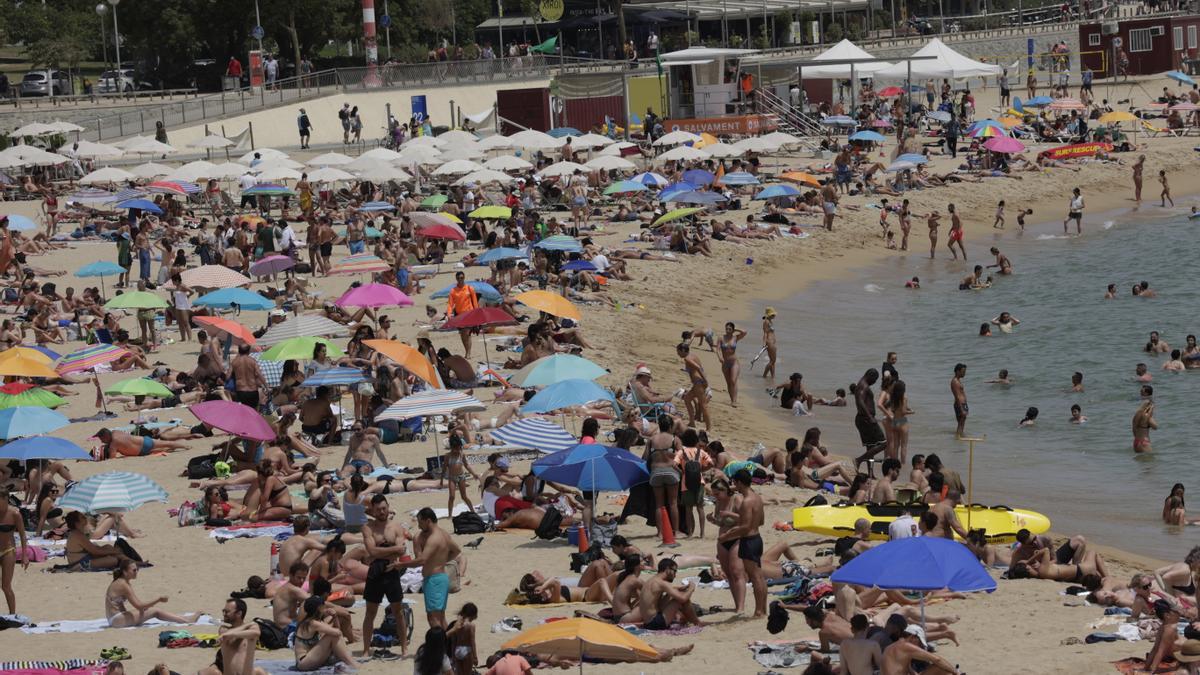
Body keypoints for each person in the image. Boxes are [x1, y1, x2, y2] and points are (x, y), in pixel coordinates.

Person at [360, 494, 410, 658]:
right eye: (378, 509)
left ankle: (404, 648)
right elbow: (371, 551)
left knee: (398, 611)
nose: (382, 512)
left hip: (392, 570)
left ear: (388, 507)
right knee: (370, 612)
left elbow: (401, 550)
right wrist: (390, 550)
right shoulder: (368, 528)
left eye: (384, 508)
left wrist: (379, 552)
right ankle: (366, 649)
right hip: (375, 571)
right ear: (373, 511)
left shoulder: (395, 527)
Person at [398, 507, 462, 630]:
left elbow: (421, 560)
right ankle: (447, 645)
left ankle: (441, 646)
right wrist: (441, 561)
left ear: (428, 521)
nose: (419, 526)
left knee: (433, 618)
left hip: (434, 580)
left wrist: (400, 565)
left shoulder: (434, 538)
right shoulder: (443, 534)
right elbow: (456, 551)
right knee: (440, 617)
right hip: (440, 578)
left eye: (420, 522)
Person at [719, 470, 766, 617]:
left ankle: (759, 610)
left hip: (749, 540)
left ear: (739, 482)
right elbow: (762, 521)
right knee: (759, 576)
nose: (734, 486)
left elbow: (745, 527)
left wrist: (727, 535)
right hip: (757, 538)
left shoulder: (746, 501)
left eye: (735, 483)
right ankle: (762, 609)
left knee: (755, 577)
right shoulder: (757, 498)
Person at [105, 558, 200, 627]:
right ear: (125, 572)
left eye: (137, 569)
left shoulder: (121, 581)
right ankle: (186, 620)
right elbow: (139, 606)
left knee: (148, 610)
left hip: (115, 618)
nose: (137, 572)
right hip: (117, 620)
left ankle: (183, 618)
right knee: (155, 611)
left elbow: (139, 606)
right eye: (134, 570)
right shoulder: (123, 584)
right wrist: (158, 599)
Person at [294, 596, 357, 670]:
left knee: (335, 640)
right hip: (303, 662)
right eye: (324, 606)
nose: (325, 607)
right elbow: (337, 633)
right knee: (332, 636)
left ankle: (350, 662)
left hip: (309, 659)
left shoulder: (311, 621)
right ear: (319, 608)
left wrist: (335, 616)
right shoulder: (313, 623)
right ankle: (352, 664)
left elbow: (337, 631)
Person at [853, 369, 888, 472]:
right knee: (883, 444)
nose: (875, 382)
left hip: (863, 419)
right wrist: (869, 417)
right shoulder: (863, 385)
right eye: (875, 379)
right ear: (870, 376)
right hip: (866, 419)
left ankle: (870, 474)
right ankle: (858, 460)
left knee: (871, 447)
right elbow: (860, 401)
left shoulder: (861, 384)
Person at [0, 490, 27, 613]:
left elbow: (22, 535)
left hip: (8, 550)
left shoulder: (15, 514)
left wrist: (25, 555)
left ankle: (12, 614)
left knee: (6, 586)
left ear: (6, 498)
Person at [445, 271, 478, 359]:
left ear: (464, 278)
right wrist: (449, 314)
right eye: (459, 278)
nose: (461, 280)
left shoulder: (470, 288)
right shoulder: (453, 291)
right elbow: (450, 304)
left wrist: (477, 313)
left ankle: (468, 353)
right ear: (456, 279)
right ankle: (466, 350)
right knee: (463, 335)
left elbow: (475, 302)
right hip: (459, 315)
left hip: (469, 314)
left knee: (467, 333)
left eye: (462, 278)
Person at [716, 322, 747, 407]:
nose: (728, 330)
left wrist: (735, 329)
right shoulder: (721, 338)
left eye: (730, 329)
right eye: (726, 329)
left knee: (733, 381)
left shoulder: (735, 337)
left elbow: (744, 332)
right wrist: (720, 357)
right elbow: (718, 349)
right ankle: (732, 399)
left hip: (734, 363)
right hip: (725, 363)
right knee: (729, 383)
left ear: (732, 330)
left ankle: (734, 401)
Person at [950, 363, 967, 439]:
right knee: (960, 423)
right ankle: (958, 438)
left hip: (962, 404)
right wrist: (961, 408)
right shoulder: (955, 381)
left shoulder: (958, 381)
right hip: (959, 404)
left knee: (962, 422)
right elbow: (957, 396)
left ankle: (960, 438)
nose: (964, 373)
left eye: (965, 371)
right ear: (957, 371)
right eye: (963, 371)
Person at [760, 307, 777, 380]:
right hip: (769, 342)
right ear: (769, 315)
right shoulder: (766, 322)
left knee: (772, 361)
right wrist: (764, 344)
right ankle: (764, 375)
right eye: (772, 314)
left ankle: (773, 377)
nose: (774, 316)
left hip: (773, 342)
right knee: (772, 361)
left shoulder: (770, 321)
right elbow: (765, 333)